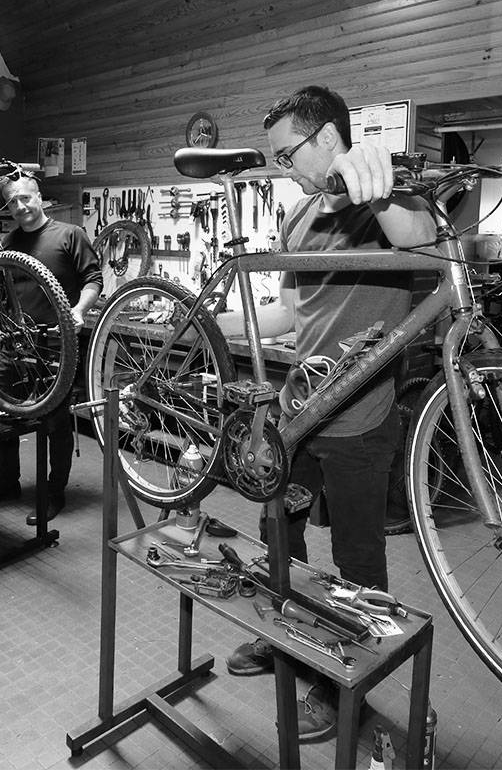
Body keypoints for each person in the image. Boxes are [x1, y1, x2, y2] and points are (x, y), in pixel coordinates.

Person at [215, 85, 435, 741]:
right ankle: (281, 637)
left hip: (361, 423)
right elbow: (290, 311)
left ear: (329, 138)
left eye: (288, 155)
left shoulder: (385, 201)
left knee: (359, 568)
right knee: (280, 532)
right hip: (297, 415)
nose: (285, 170)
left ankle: (344, 693)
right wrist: (209, 317)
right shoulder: (299, 216)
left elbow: (422, 242)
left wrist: (379, 182)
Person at [0, 173, 102, 525]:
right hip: (16, 344)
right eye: (12, 202)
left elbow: (94, 280)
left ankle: (53, 491)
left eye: (26, 198)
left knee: (55, 423)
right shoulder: (7, 242)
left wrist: (77, 311)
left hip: (58, 344)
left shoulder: (70, 234)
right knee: (0, 412)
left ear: (39, 197)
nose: (20, 207)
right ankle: (8, 482)